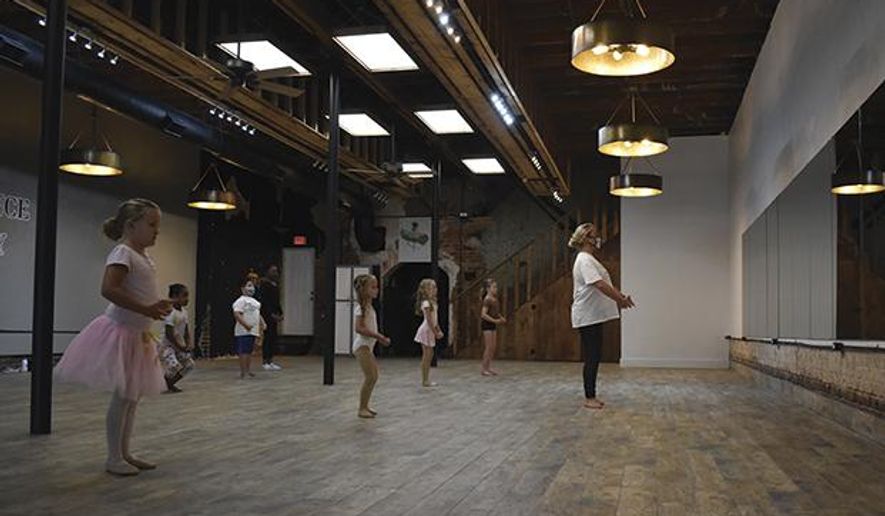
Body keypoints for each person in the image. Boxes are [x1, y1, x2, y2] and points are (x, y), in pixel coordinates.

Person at [55, 198, 172, 476]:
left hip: (137, 334)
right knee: (122, 397)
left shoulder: (143, 257)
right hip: (121, 332)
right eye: (152, 225)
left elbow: (138, 291)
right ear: (131, 226)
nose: (157, 231)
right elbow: (109, 289)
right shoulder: (123, 252)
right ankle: (113, 457)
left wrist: (155, 305)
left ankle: (124, 452)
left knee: (132, 398)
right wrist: (146, 308)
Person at [569, 223, 635, 409]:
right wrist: (620, 299)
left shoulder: (589, 259)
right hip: (587, 316)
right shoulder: (584, 260)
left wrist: (620, 296)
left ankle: (591, 395)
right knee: (592, 356)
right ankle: (589, 397)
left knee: (595, 355)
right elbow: (599, 284)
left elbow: (604, 283)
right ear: (586, 239)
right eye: (595, 236)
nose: (598, 238)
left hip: (592, 315)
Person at [352, 274, 391, 418]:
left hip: (367, 346)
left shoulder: (369, 307)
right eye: (373, 287)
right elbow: (359, 328)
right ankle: (361, 408)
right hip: (362, 346)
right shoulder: (361, 308)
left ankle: (365, 405)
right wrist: (379, 336)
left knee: (373, 376)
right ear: (363, 290)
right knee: (371, 377)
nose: (377, 290)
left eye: (377, 287)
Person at [158, 283, 195, 393]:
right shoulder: (170, 312)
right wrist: (180, 347)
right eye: (184, 296)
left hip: (178, 346)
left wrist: (188, 343)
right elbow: (169, 334)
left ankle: (169, 384)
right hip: (167, 346)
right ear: (174, 297)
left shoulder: (184, 312)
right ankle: (163, 383)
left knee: (189, 365)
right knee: (174, 366)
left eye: (187, 295)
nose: (187, 299)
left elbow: (186, 330)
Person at [232, 280, 265, 379]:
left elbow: (258, 314)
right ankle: (243, 372)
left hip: (253, 331)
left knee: (249, 351)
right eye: (249, 286)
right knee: (244, 352)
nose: (252, 288)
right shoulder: (241, 301)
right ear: (242, 288)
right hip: (244, 331)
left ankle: (248, 370)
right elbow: (237, 314)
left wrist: (262, 322)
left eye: (253, 286)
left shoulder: (255, 302)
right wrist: (246, 325)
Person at [414, 278, 444, 387]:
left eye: (435, 287)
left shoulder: (433, 302)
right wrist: (435, 332)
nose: (435, 289)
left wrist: (438, 329)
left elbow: (435, 319)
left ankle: (426, 379)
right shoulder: (426, 303)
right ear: (426, 290)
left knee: (430, 355)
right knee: (426, 355)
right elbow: (429, 320)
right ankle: (424, 380)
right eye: (432, 287)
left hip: (430, 330)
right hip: (426, 330)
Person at [256, 264, 283, 371]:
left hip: (274, 314)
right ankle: (265, 360)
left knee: (273, 337)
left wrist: (280, 313)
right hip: (267, 314)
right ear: (267, 272)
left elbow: (277, 301)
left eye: (276, 271)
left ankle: (271, 360)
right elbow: (265, 301)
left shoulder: (275, 284)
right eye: (272, 271)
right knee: (267, 337)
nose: (275, 273)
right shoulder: (264, 284)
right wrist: (270, 313)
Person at [480, 278, 506, 376]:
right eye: (494, 287)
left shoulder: (495, 299)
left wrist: (500, 317)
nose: (496, 289)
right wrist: (495, 320)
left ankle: (489, 367)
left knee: (493, 347)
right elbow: (483, 314)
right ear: (488, 288)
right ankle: (484, 368)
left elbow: (496, 312)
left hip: (493, 323)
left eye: (496, 287)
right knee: (488, 347)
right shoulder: (487, 300)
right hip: (487, 324)